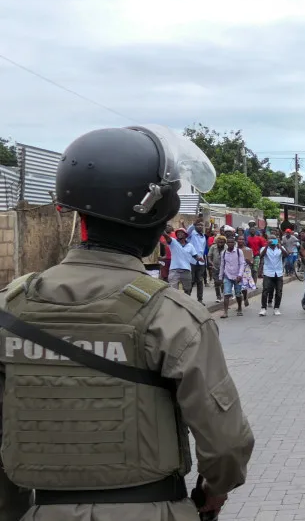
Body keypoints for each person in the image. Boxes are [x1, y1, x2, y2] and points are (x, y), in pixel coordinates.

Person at [0, 124, 254, 520]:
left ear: (76, 213)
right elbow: (226, 445)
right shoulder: (172, 316)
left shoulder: (10, 309)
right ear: (158, 220)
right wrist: (213, 493)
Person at [165, 228, 202, 294]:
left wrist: (199, 258)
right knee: (173, 291)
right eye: (178, 232)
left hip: (186, 270)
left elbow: (195, 256)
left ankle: (186, 303)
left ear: (185, 235)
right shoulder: (173, 242)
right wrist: (161, 230)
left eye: (181, 232)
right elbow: (166, 237)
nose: (179, 233)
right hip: (174, 270)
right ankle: (175, 304)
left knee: (187, 290)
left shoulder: (190, 245)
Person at [258, 236, 288, 316]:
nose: (272, 241)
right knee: (265, 290)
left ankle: (276, 308)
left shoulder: (281, 248)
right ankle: (263, 308)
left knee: (279, 291)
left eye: (274, 239)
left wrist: (281, 247)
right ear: (268, 240)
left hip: (278, 273)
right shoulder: (264, 248)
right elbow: (261, 256)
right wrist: (267, 246)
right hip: (268, 272)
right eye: (270, 239)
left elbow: (286, 255)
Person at [184, 217, 208, 303]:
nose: (200, 226)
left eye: (201, 225)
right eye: (198, 225)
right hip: (191, 261)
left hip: (200, 262)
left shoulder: (203, 237)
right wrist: (194, 224)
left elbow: (202, 249)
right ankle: (187, 299)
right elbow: (188, 231)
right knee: (191, 280)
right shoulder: (192, 234)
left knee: (200, 281)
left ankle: (200, 300)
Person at [208, 234, 227, 303]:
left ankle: (224, 295)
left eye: (222, 242)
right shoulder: (213, 247)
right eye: (219, 242)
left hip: (224, 268)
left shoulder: (226, 247)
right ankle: (218, 296)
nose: (220, 243)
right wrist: (211, 263)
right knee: (216, 282)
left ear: (224, 242)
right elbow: (209, 256)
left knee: (223, 282)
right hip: (215, 267)